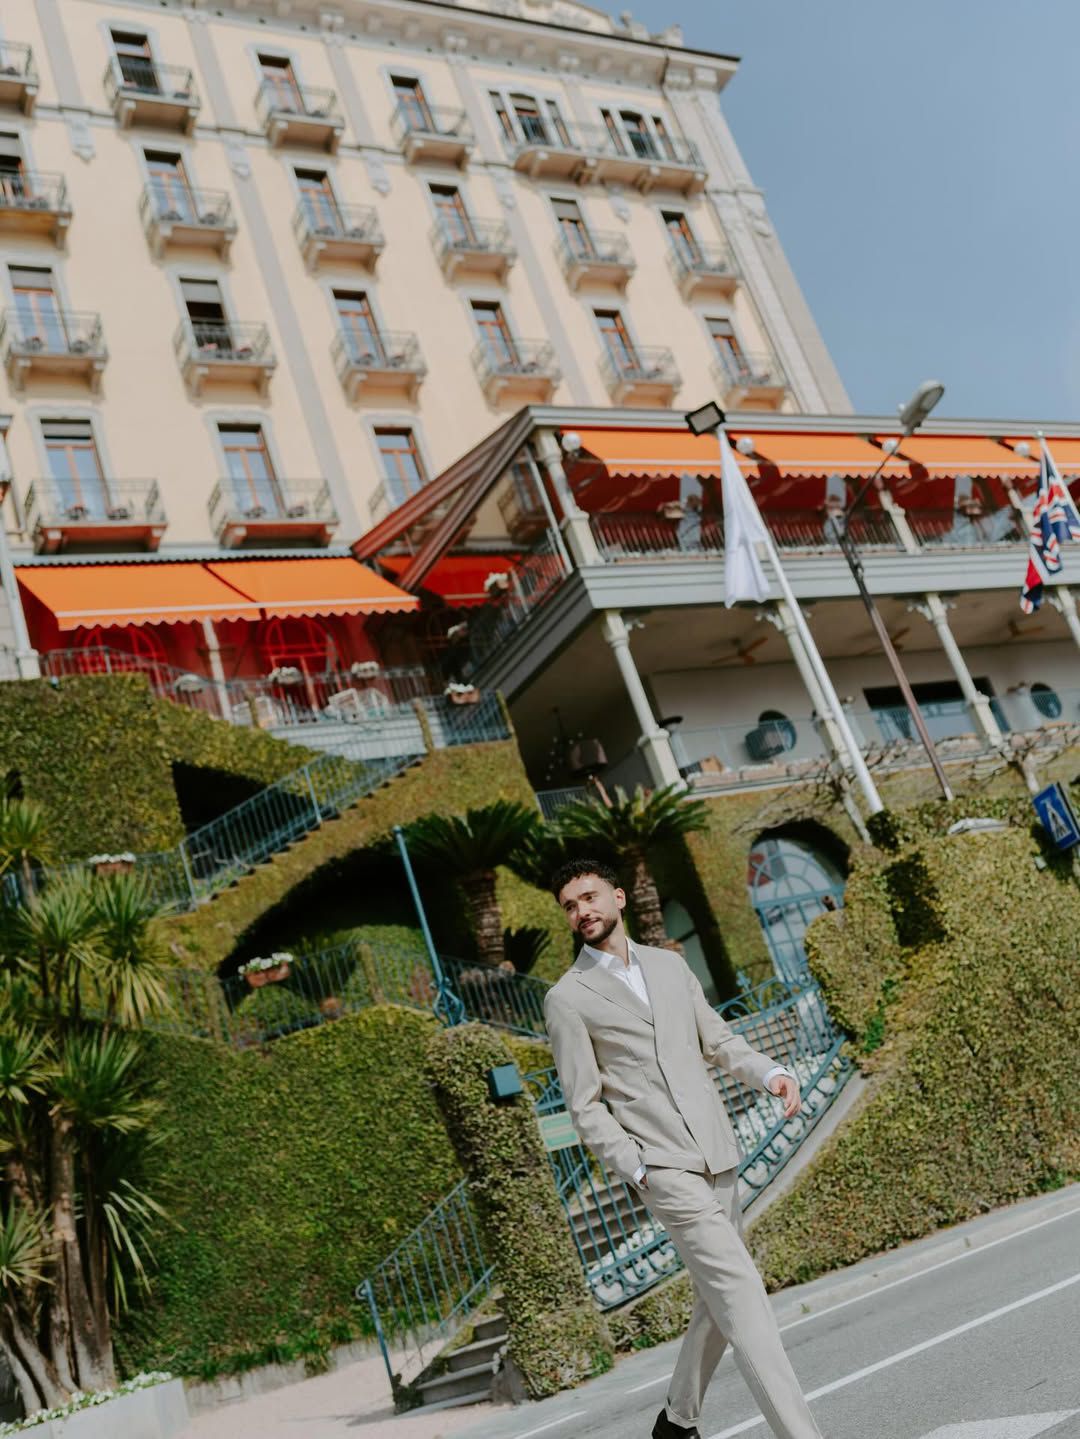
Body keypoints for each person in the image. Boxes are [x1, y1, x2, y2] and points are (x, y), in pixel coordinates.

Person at [544, 859, 823, 1439]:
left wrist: (770, 1072)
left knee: (716, 1301)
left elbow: (717, 1041)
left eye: (590, 897)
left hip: (718, 1155)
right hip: (663, 1169)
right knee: (742, 1294)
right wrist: (637, 1166)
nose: (582, 912)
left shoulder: (671, 966)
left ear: (618, 897)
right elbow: (584, 1104)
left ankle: (677, 1420)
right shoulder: (567, 998)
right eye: (570, 906)